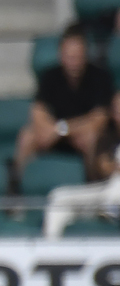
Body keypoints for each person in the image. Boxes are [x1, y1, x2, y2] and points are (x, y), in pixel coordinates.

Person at [15, 24, 116, 187]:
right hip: (54, 136)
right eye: (70, 56)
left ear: (85, 54)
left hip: (78, 134)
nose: (74, 61)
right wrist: (50, 130)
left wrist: (62, 129)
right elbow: (38, 112)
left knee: (92, 139)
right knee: (27, 136)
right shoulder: (50, 77)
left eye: (78, 56)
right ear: (61, 55)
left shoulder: (100, 77)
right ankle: (17, 190)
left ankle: (93, 188)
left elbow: (99, 119)